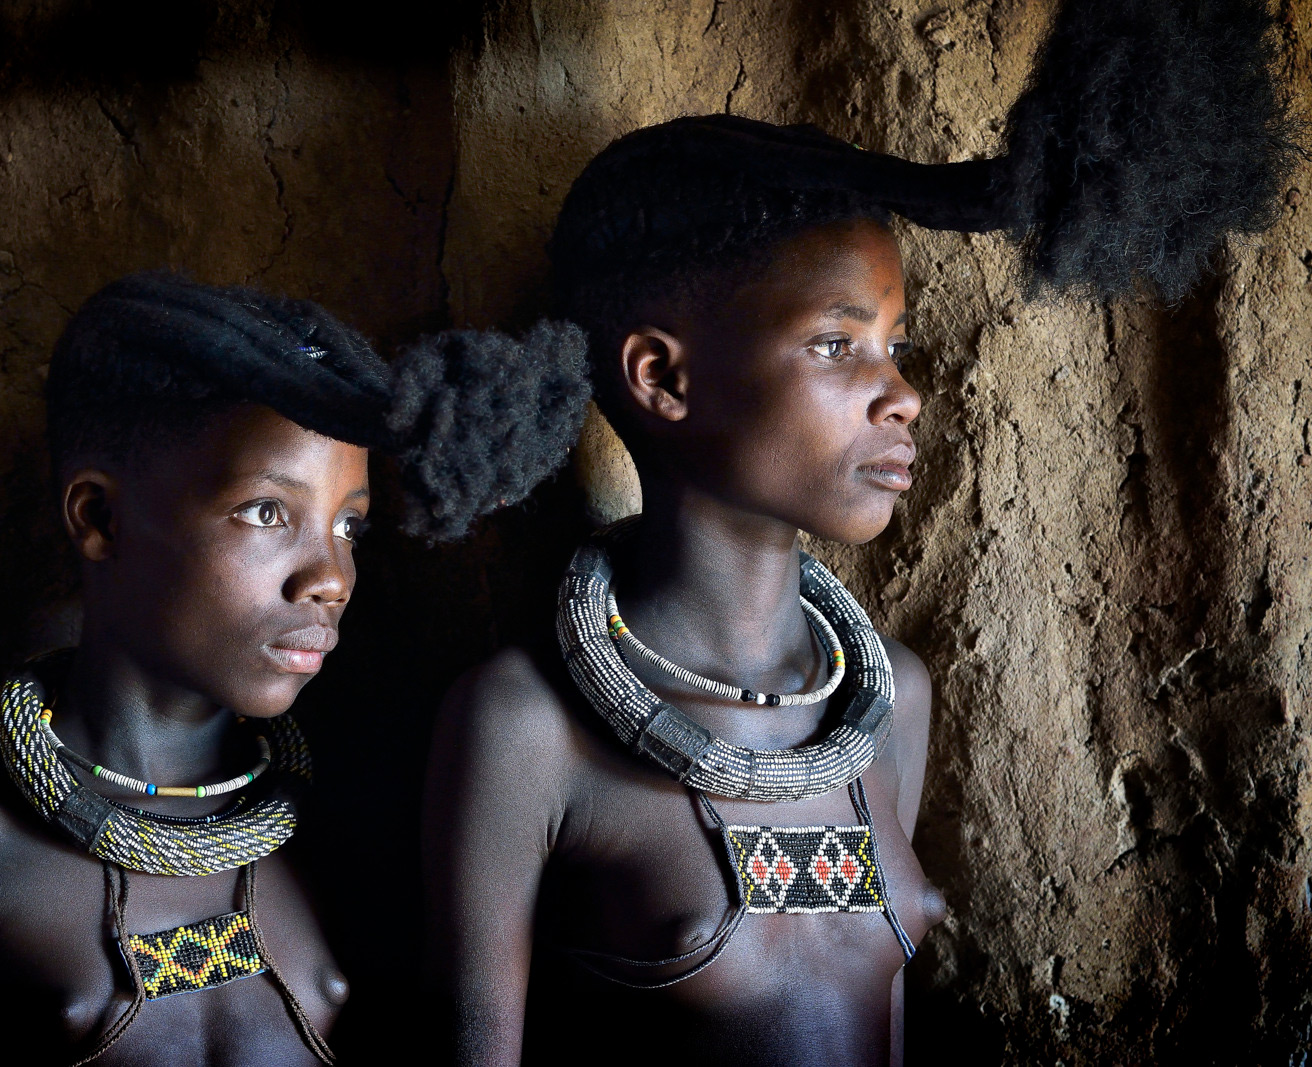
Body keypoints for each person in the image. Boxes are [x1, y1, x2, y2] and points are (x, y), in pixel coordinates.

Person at [422, 1, 1300, 1063]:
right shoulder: (524, 727)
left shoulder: (884, 698)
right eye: (837, 346)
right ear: (662, 376)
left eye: (896, 342)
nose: (902, 395)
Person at [0, 272, 588, 1065]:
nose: (329, 576)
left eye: (350, 525)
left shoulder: (349, 818)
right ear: (100, 518)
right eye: (266, 511)